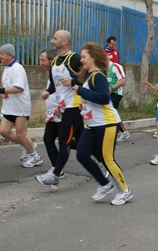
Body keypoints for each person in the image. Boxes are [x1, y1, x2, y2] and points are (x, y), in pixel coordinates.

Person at [71, 42, 132, 205]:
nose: (81, 59)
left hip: (107, 123)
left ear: (93, 57)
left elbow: (104, 98)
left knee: (107, 159)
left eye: (84, 56)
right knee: (82, 154)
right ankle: (104, 184)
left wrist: (81, 91)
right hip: (92, 124)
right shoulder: (88, 76)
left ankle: (125, 191)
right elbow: (90, 97)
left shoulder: (98, 75)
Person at [36, 30, 85, 185]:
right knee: (83, 140)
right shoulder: (56, 60)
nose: (52, 41)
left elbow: (87, 77)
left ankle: (55, 175)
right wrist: (47, 92)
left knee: (64, 141)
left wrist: (73, 81)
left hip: (74, 106)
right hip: (63, 108)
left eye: (55, 38)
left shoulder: (75, 59)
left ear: (64, 42)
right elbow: (54, 82)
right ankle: (102, 158)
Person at [0, 43, 43, 167]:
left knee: (20, 134)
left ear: (9, 55)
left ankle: (36, 157)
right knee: (3, 131)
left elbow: (18, 88)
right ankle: (27, 145)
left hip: (20, 108)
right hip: (9, 108)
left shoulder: (17, 68)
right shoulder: (7, 68)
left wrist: (2, 90)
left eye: (2, 54)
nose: (0, 56)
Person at [39, 48, 68, 178]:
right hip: (52, 115)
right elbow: (53, 90)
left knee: (67, 142)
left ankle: (96, 151)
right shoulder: (52, 73)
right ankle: (57, 169)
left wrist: (61, 108)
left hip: (62, 114)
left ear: (51, 60)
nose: (40, 63)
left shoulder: (60, 72)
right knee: (48, 139)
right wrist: (47, 93)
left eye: (43, 60)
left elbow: (68, 92)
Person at [107, 59, 130, 142]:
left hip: (116, 93)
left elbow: (123, 80)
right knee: (110, 113)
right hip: (106, 94)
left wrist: (112, 88)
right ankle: (122, 132)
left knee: (111, 112)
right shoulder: (100, 68)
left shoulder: (115, 67)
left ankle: (123, 132)